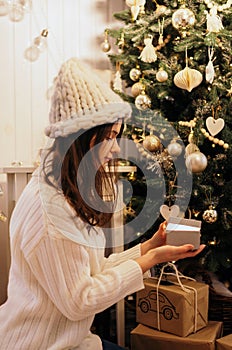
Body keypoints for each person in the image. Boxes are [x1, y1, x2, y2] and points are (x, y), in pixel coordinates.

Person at [0, 58, 205, 350]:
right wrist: (152, 260)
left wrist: (149, 247)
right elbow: (80, 300)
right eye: (109, 137)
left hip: (73, 340)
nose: (115, 149)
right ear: (81, 140)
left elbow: (91, 272)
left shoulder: (65, 191)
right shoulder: (50, 211)